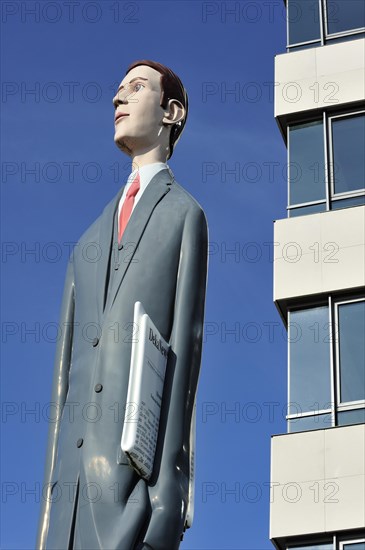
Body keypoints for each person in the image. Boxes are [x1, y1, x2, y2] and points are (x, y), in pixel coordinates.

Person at [37, 60, 208, 550]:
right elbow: (60, 389)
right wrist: (47, 518)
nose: (119, 99)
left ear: (171, 111)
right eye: (117, 90)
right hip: (65, 510)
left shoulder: (184, 216)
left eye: (136, 88)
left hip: (131, 500)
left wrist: (167, 503)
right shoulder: (85, 244)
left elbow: (182, 361)